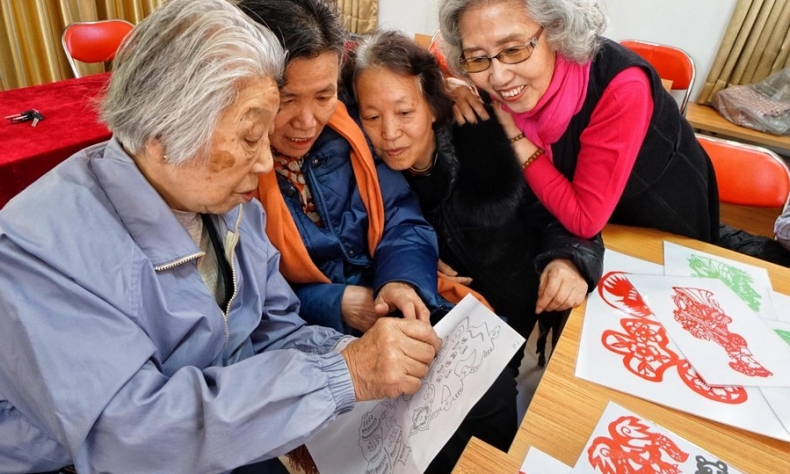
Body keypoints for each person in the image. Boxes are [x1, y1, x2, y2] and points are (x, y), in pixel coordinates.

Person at [0, 1, 445, 472]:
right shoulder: (35, 253)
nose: (265, 161)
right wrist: (341, 375)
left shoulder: (229, 207)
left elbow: (274, 330)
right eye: (250, 136)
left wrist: (357, 357)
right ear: (163, 133)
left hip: (221, 429)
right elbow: (129, 436)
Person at [238, 0, 519, 472]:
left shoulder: (351, 132)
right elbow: (245, 298)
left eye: (323, 96)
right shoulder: (234, 169)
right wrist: (336, 302)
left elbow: (402, 219)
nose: (307, 121)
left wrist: (402, 283)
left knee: (487, 393)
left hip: (390, 302)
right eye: (286, 100)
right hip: (310, 336)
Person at [344, 29, 604, 363]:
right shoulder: (365, 170)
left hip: (518, 305)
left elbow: (569, 213)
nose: (390, 133)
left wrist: (568, 260)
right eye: (372, 117)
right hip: (444, 316)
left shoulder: (489, 135)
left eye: (405, 112)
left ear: (434, 106)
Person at [437, 0, 720, 243]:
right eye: (477, 58)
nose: (499, 77)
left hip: (653, 222)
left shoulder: (621, 88)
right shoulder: (495, 77)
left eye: (513, 50)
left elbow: (585, 220)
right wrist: (447, 87)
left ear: (557, 30)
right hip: (569, 226)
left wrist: (515, 135)